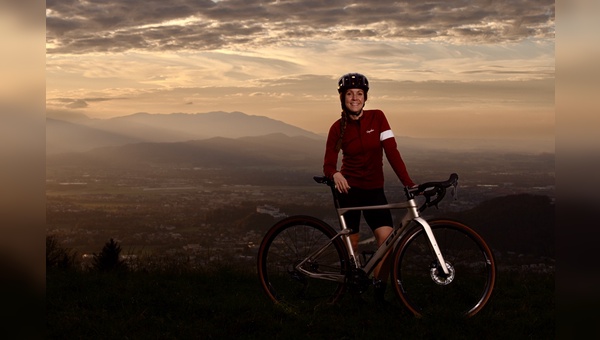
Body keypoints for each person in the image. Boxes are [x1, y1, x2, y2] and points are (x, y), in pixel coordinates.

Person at [323, 72, 417, 304]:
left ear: (365, 98)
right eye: (349, 94)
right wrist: (335, 173)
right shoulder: (337, 128)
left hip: (375, 190)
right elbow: (327, 163)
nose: (354, 98)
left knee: (387, 243)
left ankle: (378, 295)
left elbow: (392, 152)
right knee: (352, 247)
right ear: (342, 97)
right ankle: (352, 292)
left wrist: (408, 182)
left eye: (359, 94)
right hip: (349, 192)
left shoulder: (378, 118)